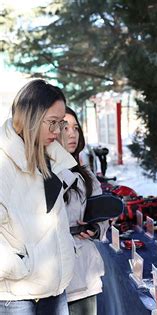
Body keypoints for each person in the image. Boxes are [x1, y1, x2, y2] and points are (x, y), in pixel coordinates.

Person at [0, 80, 77, 314]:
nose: (57, 131)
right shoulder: (3, 164)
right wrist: (19, 265)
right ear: (30, 117)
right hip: (17, 297)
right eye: (52, 123)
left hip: (55, 289)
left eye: (60, 123)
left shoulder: (51, 158)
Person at [59, 107, 108, 315]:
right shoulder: (37, 172)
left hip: (82, 276)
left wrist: (95, 228)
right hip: (47, 276)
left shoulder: (85, 174)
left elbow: (102, 214)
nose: (72, 133)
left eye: (76, 128)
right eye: (64, 127)